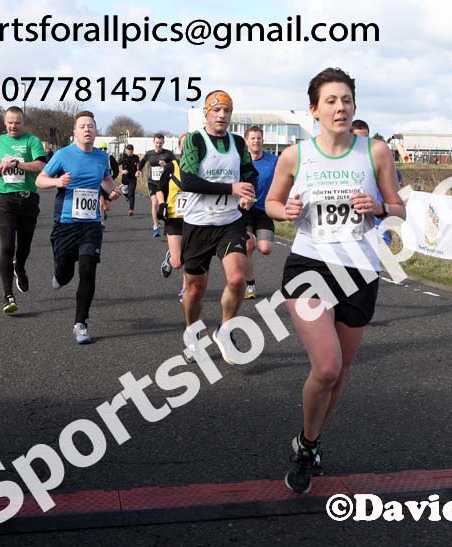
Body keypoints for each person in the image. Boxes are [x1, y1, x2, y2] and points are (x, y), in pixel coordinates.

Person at [265, 68, 405, 494]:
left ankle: (308, 441)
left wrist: (378, 207)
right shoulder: (296, 156)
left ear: (355, 106)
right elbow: (271, 202)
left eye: (346, 99)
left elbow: (399, 209)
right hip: (310, 266)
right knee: (325, 366)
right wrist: (282, 212)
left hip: (360, 270)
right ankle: (309, 446)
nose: (340, 107)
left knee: (339, 374)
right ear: (314, 110)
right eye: (330, 100)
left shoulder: (376, 151)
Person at [179, 90, 257, 364]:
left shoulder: (237, 142)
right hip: (198, 224)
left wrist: (248, 195)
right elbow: (187, 181)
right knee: (195, 290)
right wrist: (230, 187)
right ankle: (191, 331)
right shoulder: (195, 141)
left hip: (229, 222)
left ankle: (226, 329)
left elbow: (249, 175)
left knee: (237, 279)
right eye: (217, 110)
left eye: (227, 111)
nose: (222, 115)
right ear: (206, 113)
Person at [35, 111, 122, 344]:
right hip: (65, 223)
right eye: (82, 126)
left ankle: (81, 323)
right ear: (74, 132)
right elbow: (39, 179)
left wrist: (112, 191)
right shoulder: (63, 155)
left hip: (91, 224)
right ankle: (61, 273)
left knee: (88, 270)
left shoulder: (102, 158)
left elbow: (106, 181)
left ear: (95, 130)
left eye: (90, 126)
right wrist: (56, 181)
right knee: (64, 270)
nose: (86, 129)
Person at [0, 106, 47, 314]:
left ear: (23, 123)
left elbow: (40, 166)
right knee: (7, 246)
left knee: (24, 247)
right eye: (10, 122)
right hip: (4, 198)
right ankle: (8, 295)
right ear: (4, 122)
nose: (13, 126)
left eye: (17, 122)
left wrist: (17, 164)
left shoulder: (32, 141)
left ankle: (20, 267)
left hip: (28, 199)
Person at [351, 120, 402, 245]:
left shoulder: (378, 160)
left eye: (365, 138)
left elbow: (397, 203)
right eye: (357, 138)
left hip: (378, 229)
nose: (361, 143)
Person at [242, 125, 278, 299]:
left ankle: (255, 241)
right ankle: (250, 285)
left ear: (263, 140)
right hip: (244, 210)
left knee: (265, 248)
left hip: (264, 210)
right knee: (248, 244)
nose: (256, 141)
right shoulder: (240, 161)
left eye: (259, 138)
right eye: (253, 138)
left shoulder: (273, 161)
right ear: (246, 141)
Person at [156, 133, 188, 302]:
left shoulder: (202, 168)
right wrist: (162, 205)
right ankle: (170, 256)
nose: (188, 147)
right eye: (185, 144)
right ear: (180, 147)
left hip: (194, 219)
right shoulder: (172, 167)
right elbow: (160, 188)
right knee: (177, 262)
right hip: (174, 218)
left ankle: (185, 289)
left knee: (190, 258)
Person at [136, 134, 175, 237]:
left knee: (165, 203)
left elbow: (176, 165)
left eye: (160, 143)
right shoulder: (149, 154)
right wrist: (139, 170)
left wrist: (166, 165)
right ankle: (155, 225)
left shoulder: (168, 154)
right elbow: (142, 162)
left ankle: (165, 221)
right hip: (152, 182)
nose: (158, 145)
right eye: (157, 143)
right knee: (155, 203)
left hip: (164, 183)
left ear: (163, 143)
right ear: (153, 142)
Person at [97, 142, 119, 225]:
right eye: (101, 149)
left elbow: (116, 170)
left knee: (107, 207)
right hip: (98, 183)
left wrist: (111, 179)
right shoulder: (95, 157)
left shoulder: (110, 158)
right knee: (101, 203)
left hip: (107, 185)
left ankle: (103, 212)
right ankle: (101, 223)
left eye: (105, 149)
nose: (103, 150)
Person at [119, 144, 139, 216]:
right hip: (124, 179)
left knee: (131, 193)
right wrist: (122, 171)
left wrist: (138, 171)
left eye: (131, 150)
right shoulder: (123, 157)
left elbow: (138, 166)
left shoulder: (136, 157)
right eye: (128, 150)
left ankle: (131, 209)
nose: (130, 151)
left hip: (133, 178)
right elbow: (115, 165)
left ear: (133, 150)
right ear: (126, 150)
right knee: (125, 192)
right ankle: (127, 196)